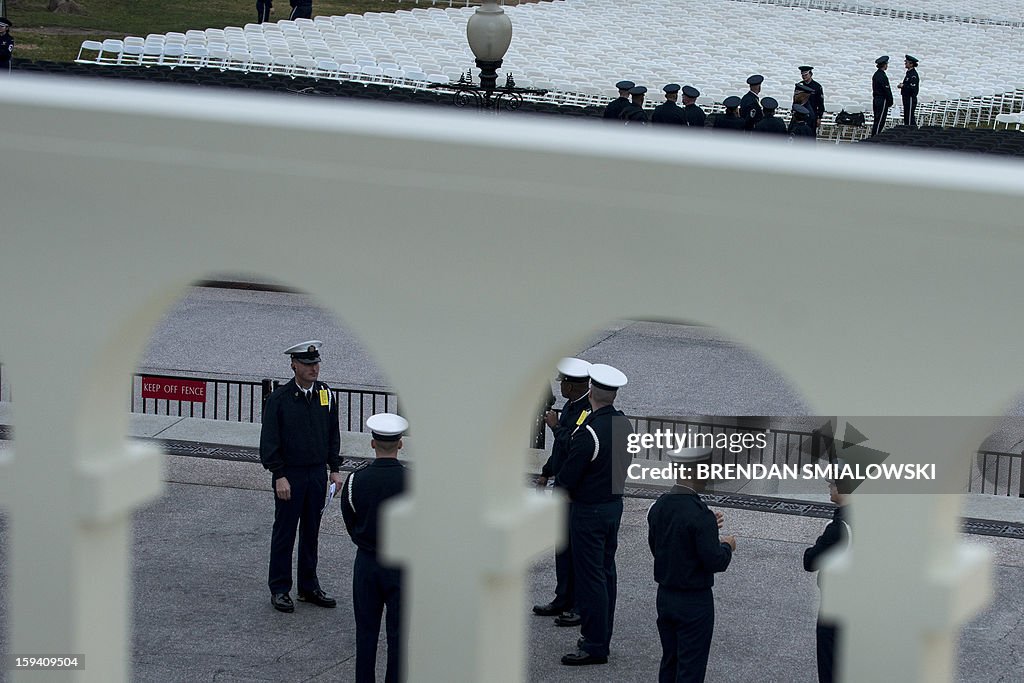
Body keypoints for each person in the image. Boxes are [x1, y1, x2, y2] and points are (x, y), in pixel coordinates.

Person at [556, 363, 633, 666]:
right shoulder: (624, 424)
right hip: (614, 504)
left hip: (588, 510)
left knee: (590, 580)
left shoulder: (588, 432)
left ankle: (595, 643)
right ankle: (602, 635)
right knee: (605, 574)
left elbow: (569, 476)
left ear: (590, 391)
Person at [260, 340, 343, 613]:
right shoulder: (280, 399)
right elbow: (270, 441)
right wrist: (279, 475)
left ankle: (308, 585)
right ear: (294, 365)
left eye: (316, 363)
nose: (314, 369)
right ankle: (280, 588)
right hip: (291, 474)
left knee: (311, 531)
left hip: (317, 473)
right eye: (308, 364)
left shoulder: (325, 394)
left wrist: (334, 468)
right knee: (285, 531)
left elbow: (332, 434)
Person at [648, 447, 735, 683]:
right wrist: (727, 546)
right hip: (694, 601)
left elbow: (659, 545)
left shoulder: (660, 506)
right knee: (691, 668)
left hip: (665, 595)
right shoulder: (700, 515)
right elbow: (714, 560)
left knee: (670, 660)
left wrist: (707, 529)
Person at [341, 412, 409, 683]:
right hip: (401, 564)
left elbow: (350, 517)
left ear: (372, 443)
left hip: (368, 561)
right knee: (398, 635)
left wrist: (364, 538)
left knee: (366, 633)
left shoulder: (356, 480)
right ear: (400, 444)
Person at [533, 358, 593, 626]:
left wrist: (556, 427)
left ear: (573, 385)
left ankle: (579, 604)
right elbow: (559, 452)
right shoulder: (570, 407)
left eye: (564, 383)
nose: (561, 388)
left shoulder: (587, 411)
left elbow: (572, 445)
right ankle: (563, 596)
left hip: (575, 492)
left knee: (578, 551)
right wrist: (546, 471)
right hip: (562, 487)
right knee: (562, 546)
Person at [803, 476, 853, 683]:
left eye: (833, 484)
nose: (830, 487)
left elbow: (810, 561)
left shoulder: (838, 529)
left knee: (830, 665)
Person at [871, 56, 894, 136]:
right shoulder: (882, 76)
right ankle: (875, 137)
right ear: (884, 65)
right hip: (881, 99)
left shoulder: (876, 75)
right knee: (880, 120)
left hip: (876, 98)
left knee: (877, 119)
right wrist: (890, 100)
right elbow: (886, 90)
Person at [898, 54, 920, 127]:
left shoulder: (913, 74)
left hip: (910, 97)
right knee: (906, 116)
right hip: (906, 97)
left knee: (910, 116)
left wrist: (903, 86)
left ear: (911, 64)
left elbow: (912, 88)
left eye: (906, 62)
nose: (905, 63)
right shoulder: (909, 73)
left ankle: (913, 131)